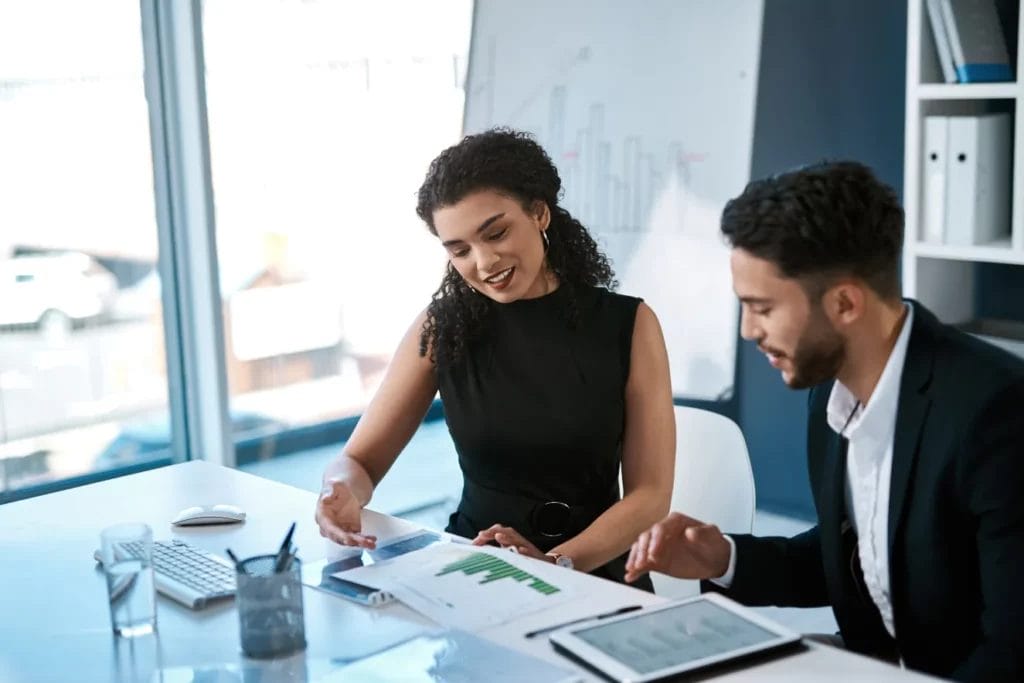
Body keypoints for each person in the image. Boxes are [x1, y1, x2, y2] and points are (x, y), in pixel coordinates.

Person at [624, 161, 1024, 680]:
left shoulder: (996, 415)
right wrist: (723, 558)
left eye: (762, 308)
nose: (748, 331)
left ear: (844, 303)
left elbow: (1013, 652)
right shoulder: (829, 395)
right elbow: (860, 556)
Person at [315, 128, 675, 588]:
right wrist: (339, 491)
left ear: (539, 213)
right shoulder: (441, 327)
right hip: (473, 570)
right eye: (460, 250)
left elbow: (650, 495)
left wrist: (555, 564)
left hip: (591, 574)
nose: (483, 263)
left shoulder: (631, 324)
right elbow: (359, 461)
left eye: (496, 233)